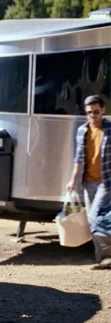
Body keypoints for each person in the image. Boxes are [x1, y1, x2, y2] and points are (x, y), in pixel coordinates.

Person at [66, 95, 111, 268]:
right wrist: (73, 180)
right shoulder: (82, 131)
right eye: (89, 112)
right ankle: (101, 256)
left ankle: (106, 256)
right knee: (94, 221)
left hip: (106, 182)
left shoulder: (109, 130)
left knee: (96, 216)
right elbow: (79, 159)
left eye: (96, 112)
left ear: (103, 110)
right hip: (88, 182)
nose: (93, 115)